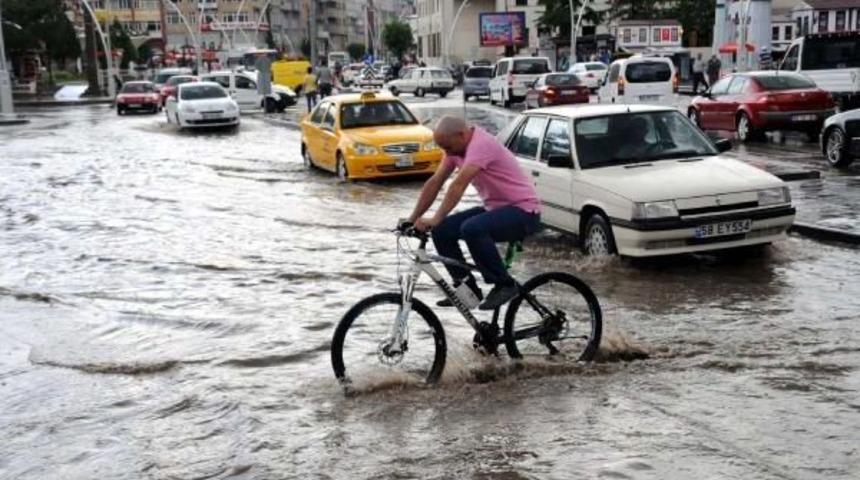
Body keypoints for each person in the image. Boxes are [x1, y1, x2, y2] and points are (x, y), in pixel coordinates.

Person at [408, 116, 541, 311]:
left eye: (448, 148)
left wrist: (435, 218)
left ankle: (505, 284)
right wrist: (412, 219)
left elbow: (458, 184)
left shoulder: (481, 145)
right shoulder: (455, 148)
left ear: (461, 135)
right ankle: (468, 290)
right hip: (495, 209)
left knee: (471, 228)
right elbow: (436, 182)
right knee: (442, 230)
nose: (447, 153)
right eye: (443, 149)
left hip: (524, 211)